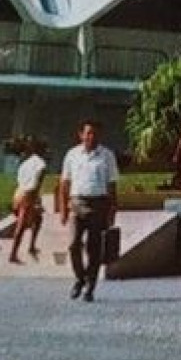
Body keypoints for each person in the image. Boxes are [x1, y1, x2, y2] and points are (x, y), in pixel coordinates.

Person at [58, 119, 120, 302]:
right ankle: (80, 278)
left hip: (99, 203)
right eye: (88, 133)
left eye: (95, 133)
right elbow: (64, 183)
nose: (91, 137)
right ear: (81, 135)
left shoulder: (107, 155)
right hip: (77, 202)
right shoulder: (72, 155)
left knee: (94, 248)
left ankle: (90, 286)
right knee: (74, 244)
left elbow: (111, 185)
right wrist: (63, 208)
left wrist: (112, 211)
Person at [7, 137, 47, 264]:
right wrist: (35, 201)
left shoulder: (25, 163)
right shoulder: (41, 164)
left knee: (38, 219)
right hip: (28, 194)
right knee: (22, 225)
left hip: (18, 193)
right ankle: (13, 254)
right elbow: (36, 184)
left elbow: (20, 180)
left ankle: (31, 246)